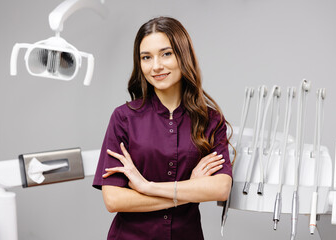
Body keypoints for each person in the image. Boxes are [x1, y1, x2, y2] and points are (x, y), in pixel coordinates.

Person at [93, 16, 233, 240]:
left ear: (183, 55)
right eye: (146, 57)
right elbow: (114, 200)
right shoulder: (124, 118)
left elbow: (221, 188)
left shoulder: (210, 120)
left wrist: (147, 187)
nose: (156, 66)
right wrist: (189, 188)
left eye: (166, 54)